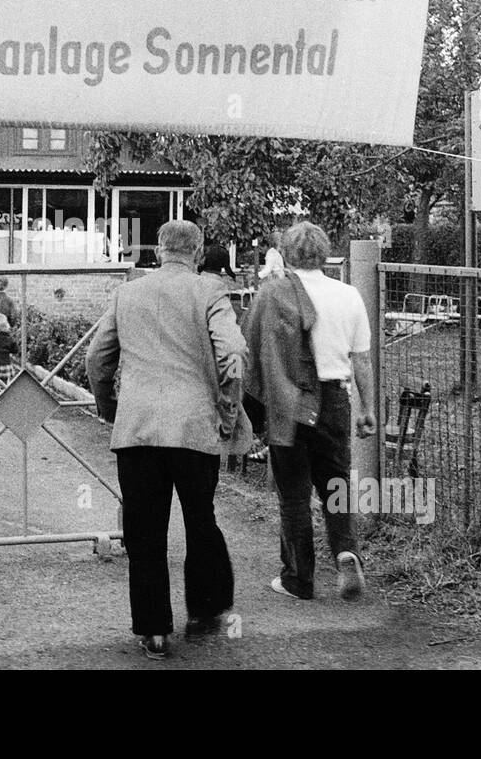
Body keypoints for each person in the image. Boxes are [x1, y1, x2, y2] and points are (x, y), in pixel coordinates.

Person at [85, 219, 245, 662]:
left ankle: (154, 631)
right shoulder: (211, 292)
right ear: (197, 253)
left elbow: (96, 358)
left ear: (158, 250)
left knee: (144, 529)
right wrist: (227, 414)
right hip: (194, 427)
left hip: (137, 430)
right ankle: (204, 611)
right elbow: (233, 356)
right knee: (200, 517)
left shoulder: (127, 293)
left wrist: (110, 409)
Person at [243, 221, 375, 605]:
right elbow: (362, 360)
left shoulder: (272, 295)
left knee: (295, 495)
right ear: (325, 253)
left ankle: (298, 579)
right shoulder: (348, 295)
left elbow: (252, 351)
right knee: (336, 486)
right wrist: (367, 409)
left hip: (289, 402)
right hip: (335, 399)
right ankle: (346, 552)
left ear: (285, 253)